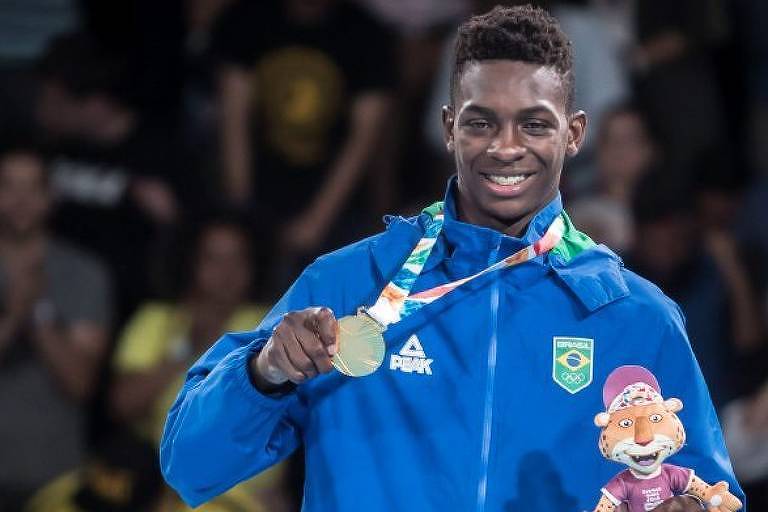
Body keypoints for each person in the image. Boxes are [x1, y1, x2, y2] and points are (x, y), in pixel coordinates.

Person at [160, 5, 744, 511]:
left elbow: (703, 491)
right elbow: (190, 465)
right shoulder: (347, 285)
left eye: (534, 124)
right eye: (481, 122)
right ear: (449, 128)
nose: (506, 146)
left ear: (574, 133)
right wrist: (267, 372)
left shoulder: (634, 317)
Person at [212, 0, 394, 293]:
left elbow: (363, 140)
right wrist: (241, 212)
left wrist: (314, 223)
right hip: (260, 185)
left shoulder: (367, 34)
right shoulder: (246, 18)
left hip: (335, 199)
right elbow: (233, 118)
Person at [0, 144, 112, 509]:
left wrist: (39, 313)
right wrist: (15, 313)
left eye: (32, 187)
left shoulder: (84, 274)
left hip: (52, 477)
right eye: (8, 186)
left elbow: (80, 383)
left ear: (51, 196)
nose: (20, 200)